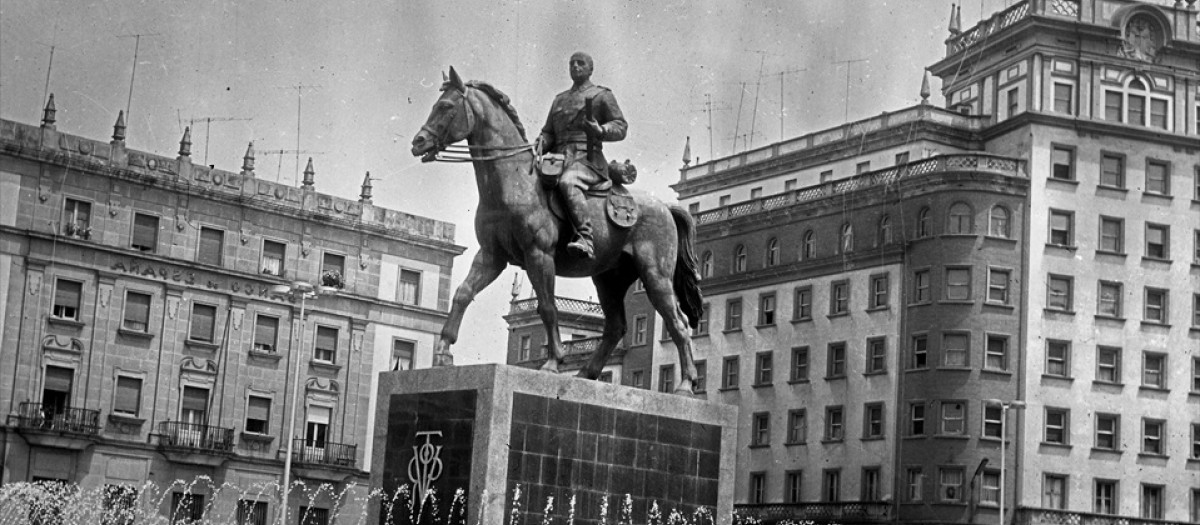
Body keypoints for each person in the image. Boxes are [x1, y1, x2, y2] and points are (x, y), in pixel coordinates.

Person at [534, 52, 628, 258]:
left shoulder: (601, 95)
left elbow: (620, 127)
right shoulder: (559, 100)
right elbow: (548, 132)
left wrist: (600, 130)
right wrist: (542, 142)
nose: (575, 66)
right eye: (572, 63)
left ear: (590, 69)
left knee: (568, 182)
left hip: (588, 161)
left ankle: (586, 237)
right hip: (558, 160)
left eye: (580, 63)